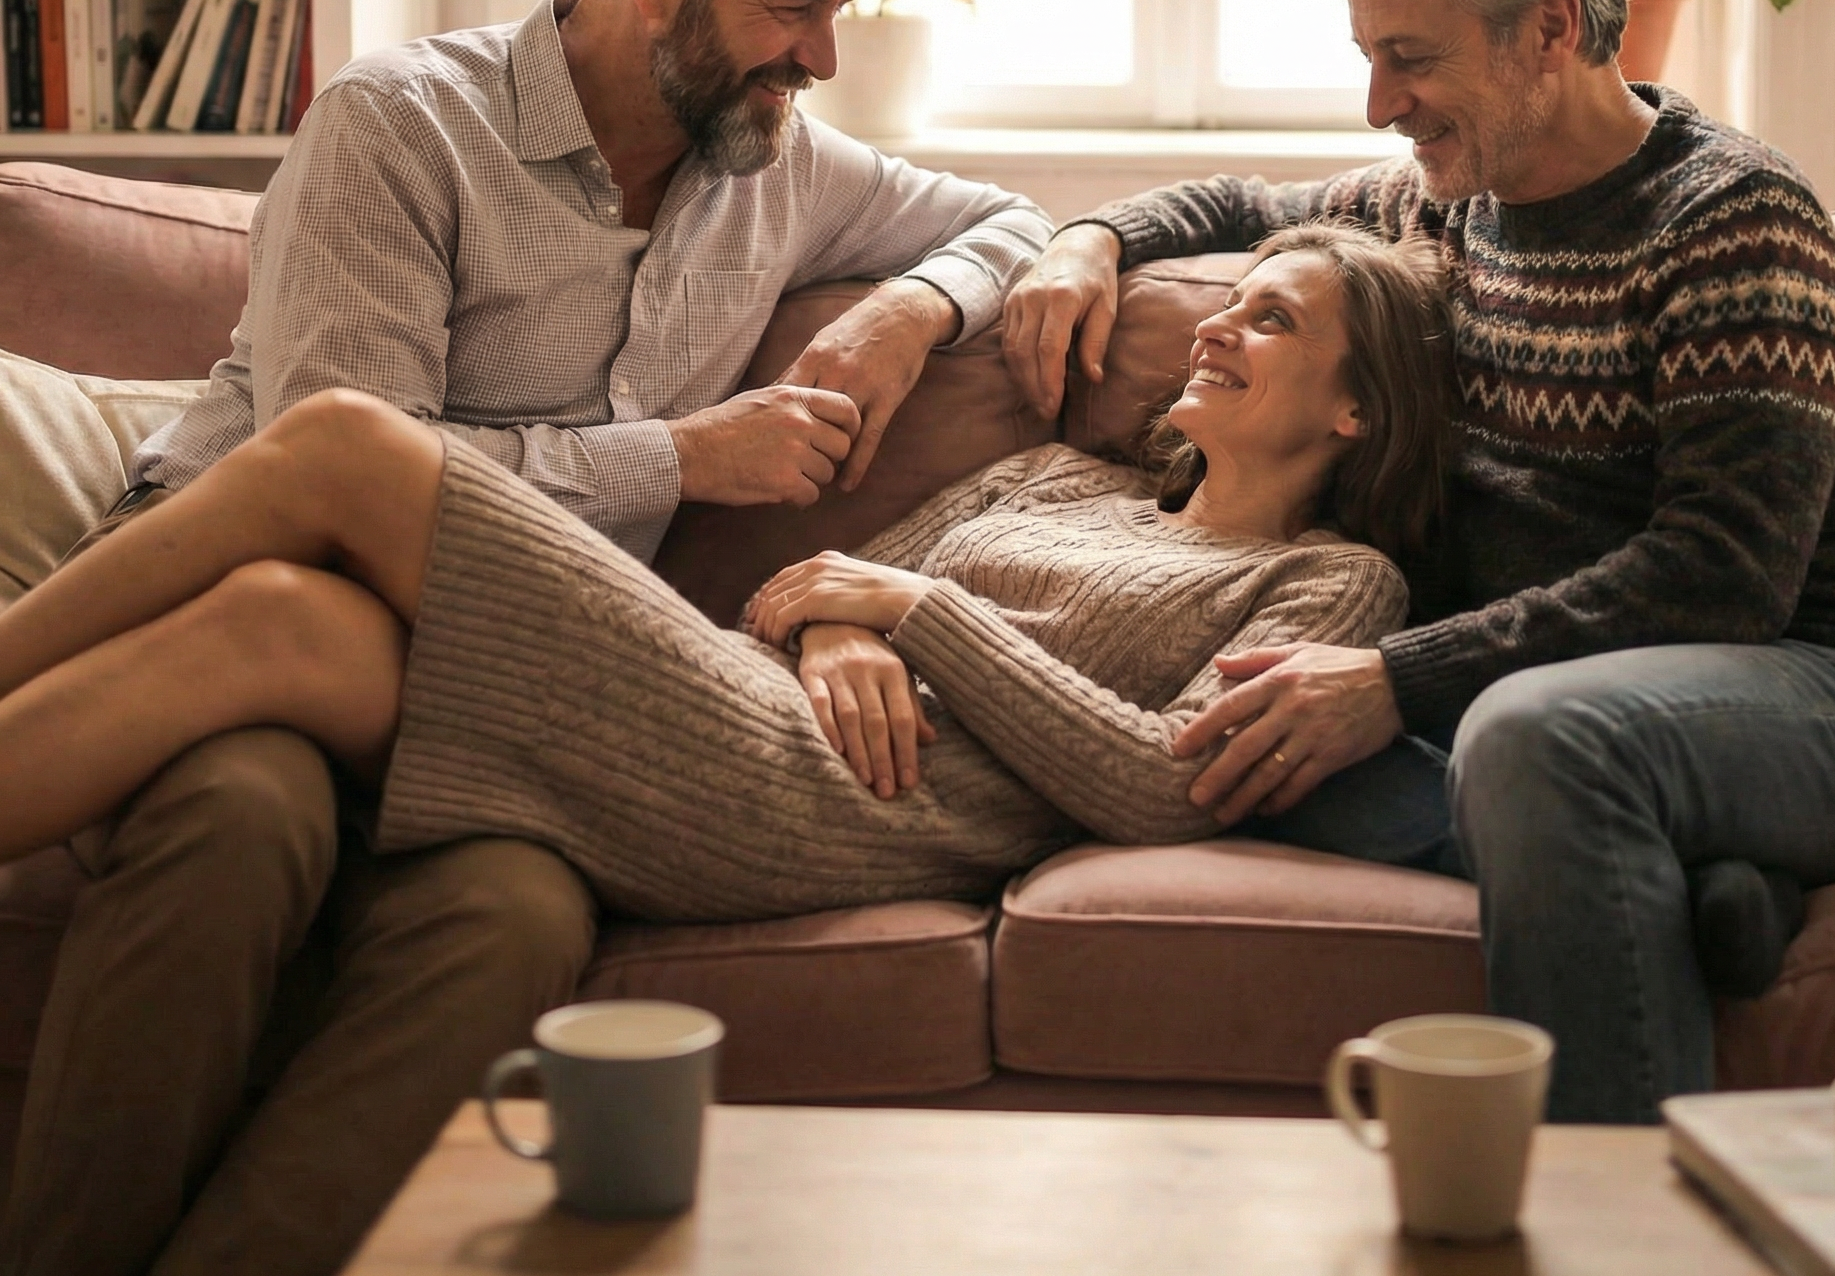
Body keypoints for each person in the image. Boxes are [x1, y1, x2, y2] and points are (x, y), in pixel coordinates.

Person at [0, 0, 1052, 1276]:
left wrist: (903, 312)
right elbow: (343, 464)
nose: (821, 59)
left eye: (838, 14)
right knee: (245, 821)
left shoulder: (780, 159)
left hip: (487, 702)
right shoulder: (402, 124)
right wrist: (679, 460)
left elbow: (1005, 220)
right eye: (793, 9)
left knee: (517, 911)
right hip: (250, 607)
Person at [1000, 0, 1835, 1125]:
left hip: (1832, 695)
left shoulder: (1732, 220)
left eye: (1413, 58)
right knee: (1233, 732)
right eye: (1368, 58)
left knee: (1530, 737)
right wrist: (1090, 235)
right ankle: (1692, 873)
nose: (1381, 104)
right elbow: (1240, 204)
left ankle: (1614, 1235)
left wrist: (1400, 680)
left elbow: (1723, 580)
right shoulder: (1435, 203)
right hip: (1559, 721)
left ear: (1551, 27)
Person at [0, 225, 1451, 935]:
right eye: (1232, 302)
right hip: (752, 702)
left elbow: (1158, 785)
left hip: (821, 805)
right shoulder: (1062, 479)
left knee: (337, 445)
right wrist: (842, 631)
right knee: (279, 624)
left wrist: (915, 616)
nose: (1221, 331)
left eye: (1271, 321)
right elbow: (807, 590)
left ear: (1356, 412)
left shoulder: (1334, 588)